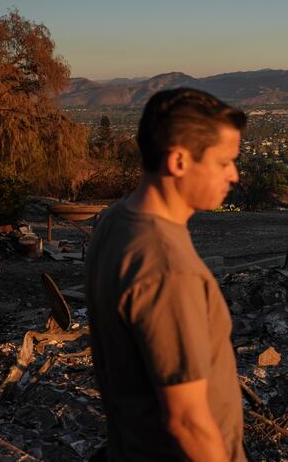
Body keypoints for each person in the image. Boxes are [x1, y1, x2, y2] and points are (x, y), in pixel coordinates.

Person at [85, 88, 247, 461]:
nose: (234, 175)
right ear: (178, 161)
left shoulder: (116, 220)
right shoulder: (166, 268)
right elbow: (186, 420)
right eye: (224, 162)